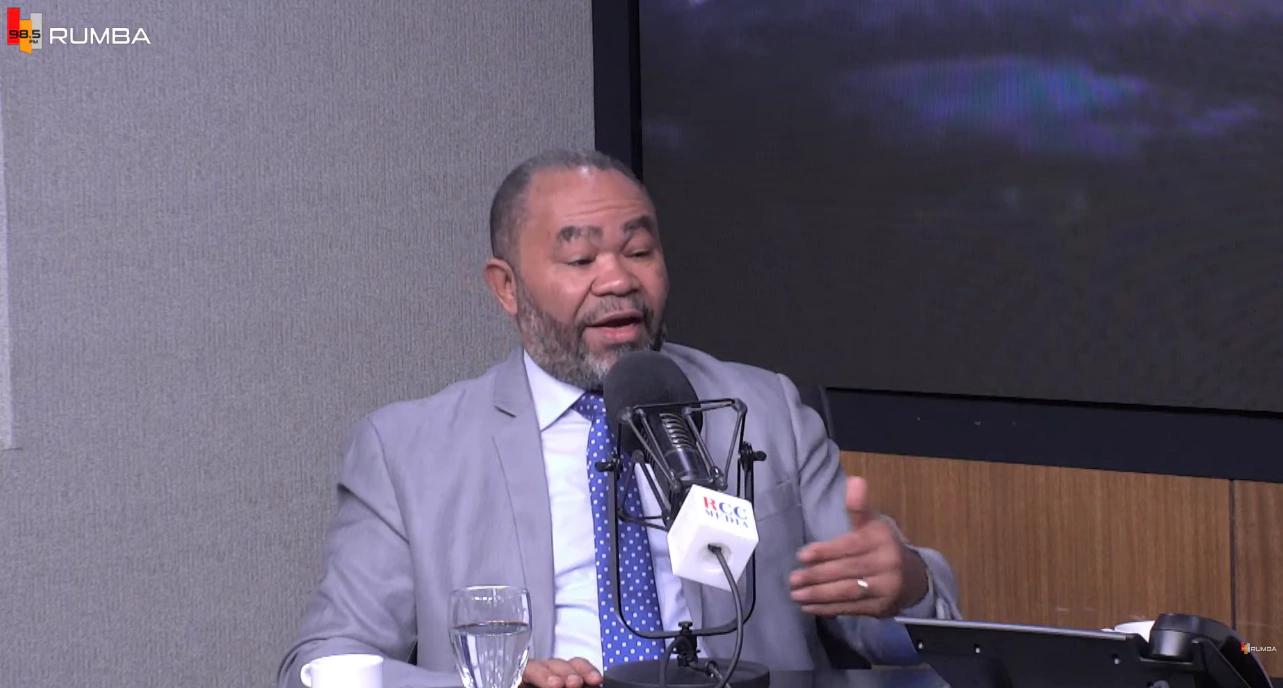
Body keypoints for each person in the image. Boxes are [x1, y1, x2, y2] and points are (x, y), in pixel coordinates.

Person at [278, 150, 962, 688]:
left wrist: (905, 585)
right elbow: (323, 666)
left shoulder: (765, 409)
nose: (617, 280)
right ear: (506, 287)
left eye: (638, 251)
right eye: (580, 258)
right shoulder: (409, 451)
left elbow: (888, 632)